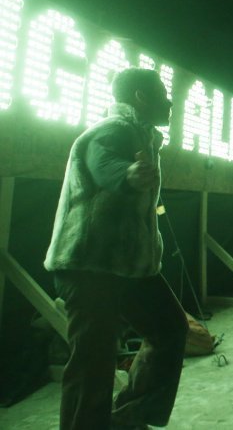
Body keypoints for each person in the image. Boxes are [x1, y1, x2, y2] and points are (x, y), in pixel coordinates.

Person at [44, 67, 188, 430]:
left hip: (129, 268)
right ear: (141, 97)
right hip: (89, 267)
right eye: (162, 93)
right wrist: (127, 175)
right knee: (92, 366)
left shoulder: (142, 136)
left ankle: (125, 420)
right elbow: (101, 161)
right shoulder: (112, 130)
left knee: (170, 327)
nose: (170, 101)